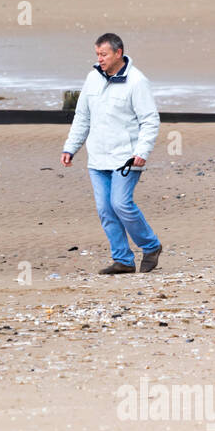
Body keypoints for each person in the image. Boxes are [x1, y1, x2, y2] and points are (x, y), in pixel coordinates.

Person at [60, 33, 163, 274]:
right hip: (97, 158)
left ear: (118, 53)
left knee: (120, 203)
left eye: (103, 54)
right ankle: (123, 260)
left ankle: (151, 246)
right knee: (105, 209)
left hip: (127, 157)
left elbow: (150, 120)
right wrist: (70, 147)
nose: (99, 59)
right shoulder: (92, 79)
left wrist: (142, 151)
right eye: (97, 54)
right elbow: (82, 117)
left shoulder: (137, 82)